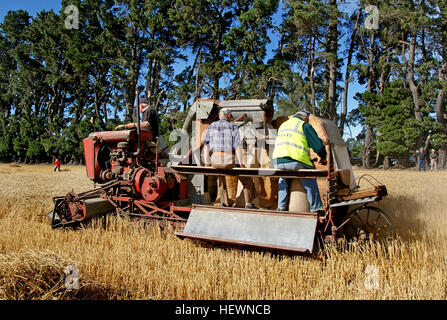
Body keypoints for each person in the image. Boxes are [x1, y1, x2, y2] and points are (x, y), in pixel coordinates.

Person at [272, 110, 327, 213]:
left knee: (282, 179)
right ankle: (316, 208)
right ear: (305, 118)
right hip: (296, 161)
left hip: (278, 161)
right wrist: (323, 157)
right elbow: (318, 147)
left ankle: (281, 207)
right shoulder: (304, 125)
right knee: (310, 179)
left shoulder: (283, 125)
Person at [203, 109, 256, 209]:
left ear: (219, 116)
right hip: (228, 160)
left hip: (215, 161)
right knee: (247, 179)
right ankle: (248, 203)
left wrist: (207, 163)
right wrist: (241, 163)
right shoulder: (233, 127)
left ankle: (224, 203)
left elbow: (206, 146)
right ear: (228, 116)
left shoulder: (212, 126)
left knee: (221, 177)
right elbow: (237, 147)